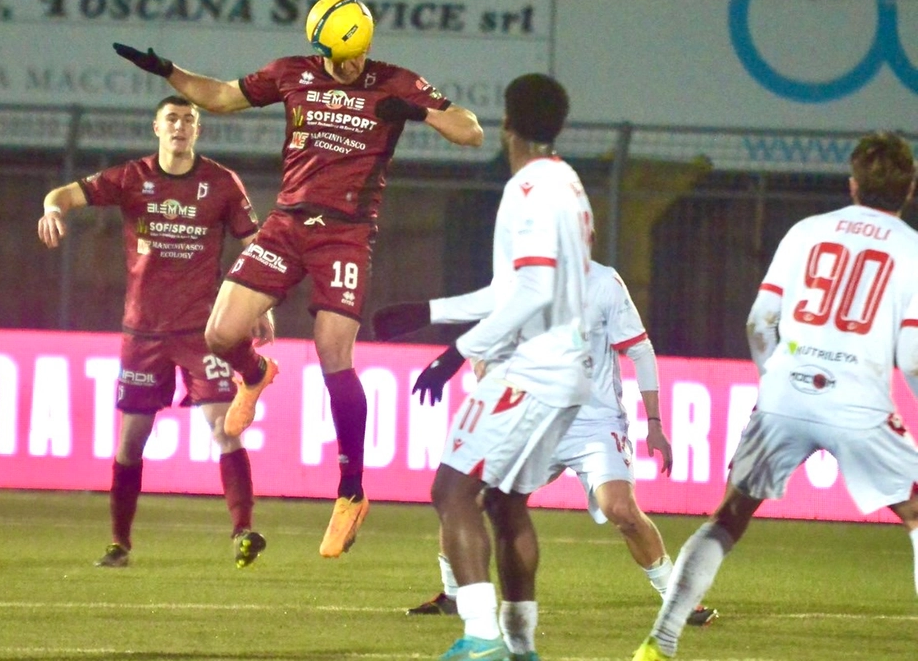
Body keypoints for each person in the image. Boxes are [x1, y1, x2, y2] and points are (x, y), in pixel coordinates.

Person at [113, 0, 484, 557]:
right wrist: (169, 71)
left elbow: (471, 131)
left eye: (353, 57)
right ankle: (256, 374)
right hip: (287, 224)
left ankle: (351, 492)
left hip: (346, 231)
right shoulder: (293, 73)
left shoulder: (395, 82)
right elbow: (222, 97)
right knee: (219, 334)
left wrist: (418, 112)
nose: (346, 67)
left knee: (334, 351)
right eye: (336, 58)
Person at [632, 131, 918, 661]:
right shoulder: (911, 249)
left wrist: (776, 382)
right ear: (911, 186)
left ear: (853, 184)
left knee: (730, 515)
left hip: (786, 390)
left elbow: (760, 321)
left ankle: (662, 640)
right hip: (857, 400)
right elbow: (913, 355)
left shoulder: (807, 231)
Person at [374, 261, 718, 628]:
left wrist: (654, 422)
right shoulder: (513, 276)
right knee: (464, 494)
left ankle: (677, 598)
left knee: (620, 509)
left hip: (593, 422)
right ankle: (453, 594)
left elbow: (640, 349)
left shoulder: (604, 281)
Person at [37, 95, 271, 569]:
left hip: (203, 331)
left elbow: (256, 245)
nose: (180, 127)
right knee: (131, 442)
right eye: (172, 119)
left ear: (198, 131)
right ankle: (119, 543)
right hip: (142, 333)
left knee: (225, 429)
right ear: (156, 128)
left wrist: (258, 302)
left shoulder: (221, 183)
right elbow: (62, 194)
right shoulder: (132, 178)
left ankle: (243, 532)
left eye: (189, 119)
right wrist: (52, 209)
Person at [406, 73, 589, 661]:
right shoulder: (568, 182)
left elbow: (532, 289)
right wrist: (426, 312)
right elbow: (510, 288)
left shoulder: (530, 188)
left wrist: (458, 352)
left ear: (507, 123)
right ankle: (520, 644)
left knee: (452, 490)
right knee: (506, 503)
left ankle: (482, 638)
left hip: (530, 369)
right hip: (566, 368)